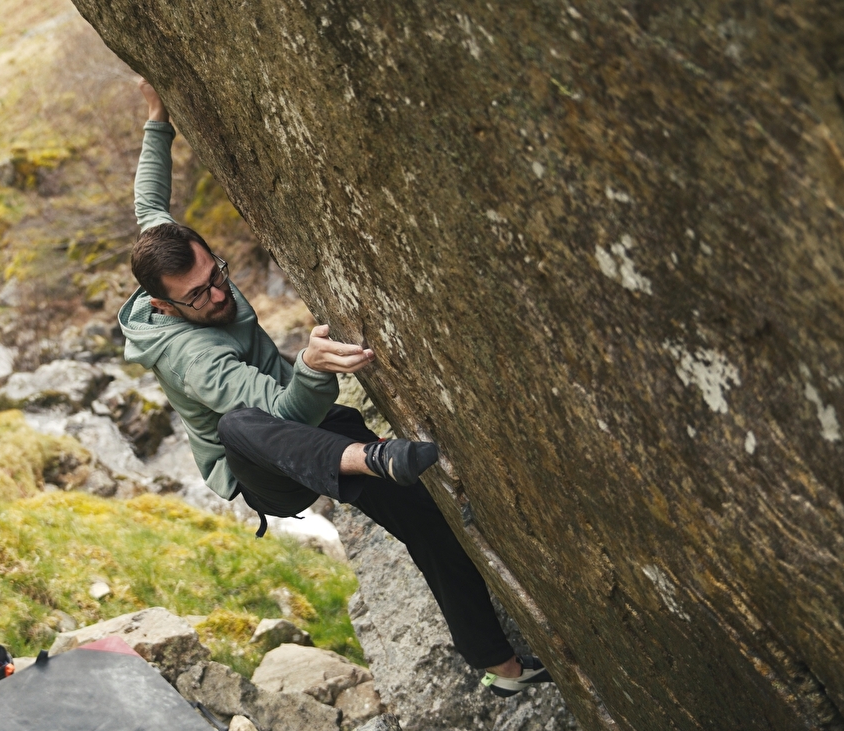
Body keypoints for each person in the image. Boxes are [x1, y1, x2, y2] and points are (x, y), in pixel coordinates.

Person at [116, 79, 553, 698]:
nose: (218, 294)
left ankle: (498, 665)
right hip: (264, 469)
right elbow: (281, 408)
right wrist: (314, 367)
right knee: (239, 421)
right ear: (163, 305)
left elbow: (149, 201)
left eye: (217, 275)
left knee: (427, 520)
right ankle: (368, 460)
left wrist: (156, 118)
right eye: (200, 295)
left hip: (315, 435)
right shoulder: (191, 358)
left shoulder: (171, 261)